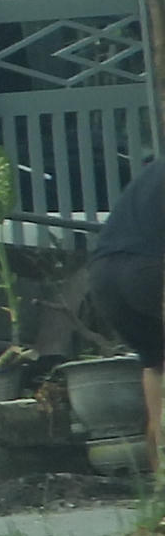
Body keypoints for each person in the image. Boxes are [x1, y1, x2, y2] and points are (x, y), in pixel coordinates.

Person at [79, 155, 165, 476]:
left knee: (156, 364)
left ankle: (160, 479)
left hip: (103, 275)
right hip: (151, 271)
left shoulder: (154, 171)